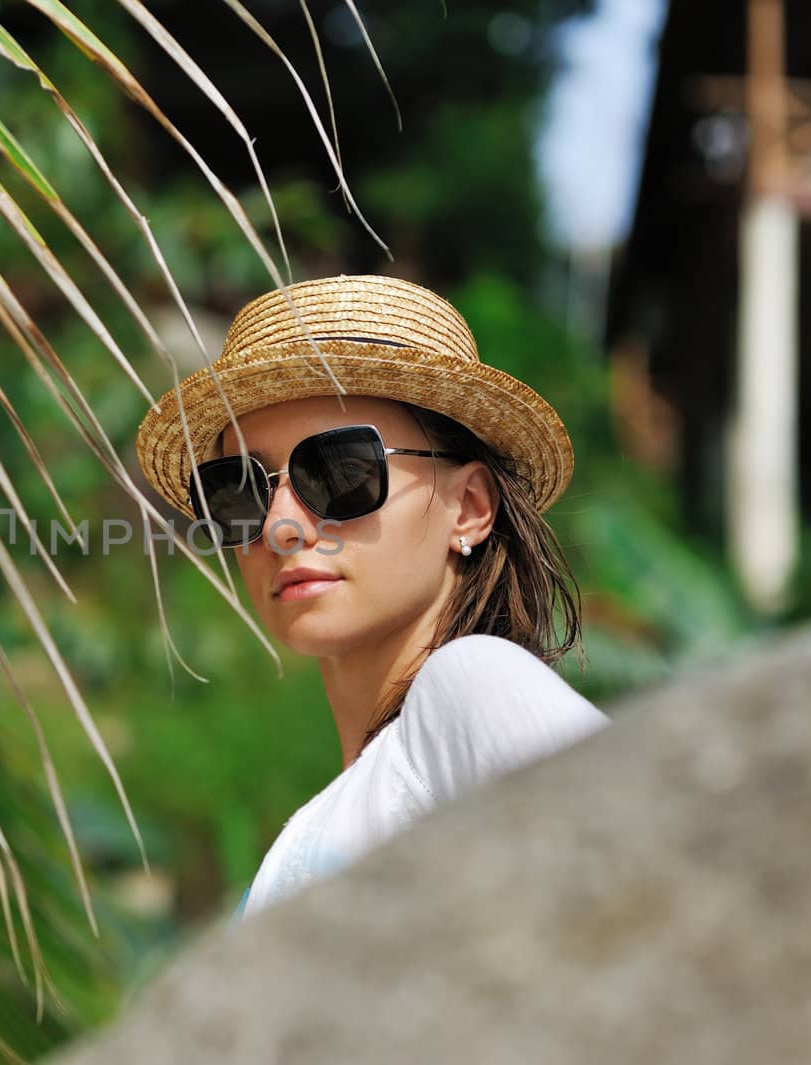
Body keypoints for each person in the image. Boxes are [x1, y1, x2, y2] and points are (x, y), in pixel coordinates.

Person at [133, 274, 610, 920]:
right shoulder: (331, 821)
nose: (279, 524)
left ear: (469, 507)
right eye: (238, 489)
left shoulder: (473, 683)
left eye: (338, 471)